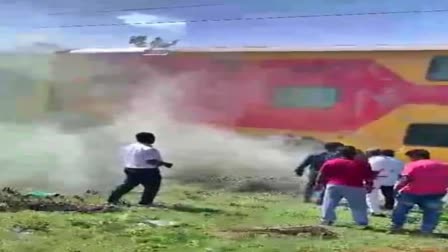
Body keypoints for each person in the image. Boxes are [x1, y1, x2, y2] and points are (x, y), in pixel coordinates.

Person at [391, 149, 448, 234]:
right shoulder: (444, 165)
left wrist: (396, 189)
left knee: (401, 209)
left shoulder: (412, 165)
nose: (410, 159)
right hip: (436, 193)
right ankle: (427, 230)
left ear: (419, 156)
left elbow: (405, 179)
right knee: (432, 212)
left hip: (412, 192)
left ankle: (396, 226)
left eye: (411, 157)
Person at [107, 132, 173, 206]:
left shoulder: (129, 147)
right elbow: (151, 161)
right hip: (148, 171)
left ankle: (112, 199)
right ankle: (145, 202)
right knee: (152, 186)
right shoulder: (149, 149)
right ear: (149, 139)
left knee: (127, 186)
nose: (154, 139)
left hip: (130, 169)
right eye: (152, 137)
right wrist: (164, 164)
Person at [316, 145, 374, 227]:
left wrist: (318, 183)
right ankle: (361, 222)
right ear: (354, 154)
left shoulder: (331, 162)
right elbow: (369, 177)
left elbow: (321, 174)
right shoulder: (361, 164)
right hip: (355, 186)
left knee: (329, 203)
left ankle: (327, 219)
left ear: (340, 153)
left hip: (333, 185)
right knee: (358, 206)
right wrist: (369, 186)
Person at [365, 148, 388, 217]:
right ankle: (386, 208)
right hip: (388, 178)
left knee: (371, 195)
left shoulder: (370, 160)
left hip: (374, 178)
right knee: (386, 194)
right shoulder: (387, 159)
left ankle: (375, 211)